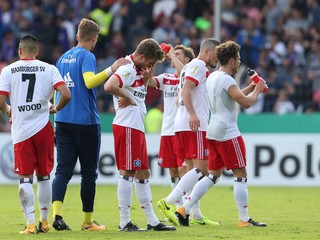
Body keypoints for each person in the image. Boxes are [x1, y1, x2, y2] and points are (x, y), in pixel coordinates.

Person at [175, 40, 268, 227]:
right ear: (232, 60)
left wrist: (250, 89)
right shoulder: (227, 79)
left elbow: (229, 98)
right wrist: (257, 91)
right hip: (228, 132)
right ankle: (244, 219)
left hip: (212, 130)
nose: (240, 62)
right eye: (238, 58)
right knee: (240, 173)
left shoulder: (214, 77)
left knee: (212, 175)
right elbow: (246, 103)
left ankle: (184, 208)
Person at [51, 18, 128, 231]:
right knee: (88, 173)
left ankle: (56, 215)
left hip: (63, 120)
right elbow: (89, 82)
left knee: (62, 172)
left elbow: (57, 89)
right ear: (94, 40)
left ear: (77, 36)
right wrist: (111, 69)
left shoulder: (63, 58)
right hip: (85, 122)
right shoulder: (87, 56)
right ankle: (87, 222)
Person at [0, 34, 71, 234]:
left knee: (25, 179)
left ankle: (31, 225)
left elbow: (0, 101)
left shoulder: (8, 70)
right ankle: (45, 222)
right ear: (37, 51)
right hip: (43, 129)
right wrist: (56, 107)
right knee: (44, 176)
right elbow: (66, 93)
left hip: (22, 131)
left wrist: (7, 109)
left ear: (20, 51)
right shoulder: (49, 69)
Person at [104, 38, 175, 232]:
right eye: (150, 63)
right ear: (141, 56)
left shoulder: (137, 71)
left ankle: (152, 222)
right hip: (127, 127)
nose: (151, 67)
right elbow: (109, 85)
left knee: (144, 173)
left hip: (135, 127)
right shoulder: (127, 68)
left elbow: (135, 92)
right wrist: (126, 96)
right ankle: (124, 221)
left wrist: (144, 80)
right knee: (128, 173)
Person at [157, 38, 220, 226]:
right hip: (194, 124)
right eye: (216, 54)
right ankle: (169, 202)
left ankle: (187, 212)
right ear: (207, 52)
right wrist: (193, 114)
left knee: (192, 170)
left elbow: (182, 94)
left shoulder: (189, 67)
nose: (217, 58)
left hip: (182, 124)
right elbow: (185, 90)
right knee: (204, 170)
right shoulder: (198, 65)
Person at [147, 44, 195, 210]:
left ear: (187, 59)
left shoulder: (191, 76)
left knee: (185, 170)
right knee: (173, 171)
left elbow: (185, 73)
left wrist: (170, 53)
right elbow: (149, 81)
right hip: (167, 132)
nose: (173, 56)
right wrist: (153, 62)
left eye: (178, 54)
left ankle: (188, 209)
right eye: (173, 54)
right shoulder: (166, 78)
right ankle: (177, 209)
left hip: (182, 130)